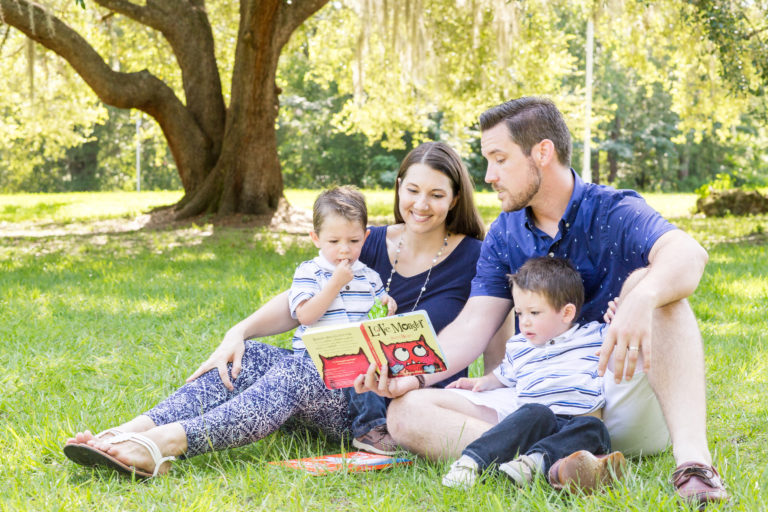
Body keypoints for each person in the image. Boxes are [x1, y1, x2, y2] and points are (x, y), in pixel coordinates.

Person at [358, 97, 727, 506]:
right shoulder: (504, 233)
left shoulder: (614, 209)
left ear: (542, 153)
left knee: (656, 288)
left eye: (499, 159)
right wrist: (412, 375)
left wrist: (642, 298)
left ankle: (693, 463)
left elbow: (689, 254)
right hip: (537, 403)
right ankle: (557, 462)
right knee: (406, 412)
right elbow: (472, 326)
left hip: (615, 393)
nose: (489, 176)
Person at [63, 141, 486, 478]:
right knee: (255, 358)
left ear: (453, 199)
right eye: (412, 190)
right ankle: (128, 431)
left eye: (436, 194)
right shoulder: (363, 240)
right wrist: (239, 333)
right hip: (333, 383)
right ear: (398, 187)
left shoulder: (477, 258)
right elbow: (297, 300)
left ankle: (164, 445)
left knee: (302, 368)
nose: (421, 204)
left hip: (384, 407)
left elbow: (491, 337)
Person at [442, 257, 625, 492]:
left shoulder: (592, 336)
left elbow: (622, 335)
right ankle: (469, 463)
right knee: (533, 412)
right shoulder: (518, 346)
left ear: (567, 312)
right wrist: (481, 382)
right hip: (536, 424)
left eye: (534, 313)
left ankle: (531, 466)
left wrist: (623, 315)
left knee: (595, 428)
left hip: (578, 421)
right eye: (519, 313)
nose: (524, 322)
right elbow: (502, 377)